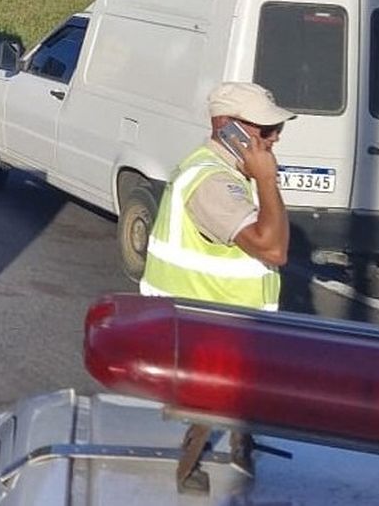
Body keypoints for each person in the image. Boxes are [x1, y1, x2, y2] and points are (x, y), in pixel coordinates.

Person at [140, 81, 296, 487]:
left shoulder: (223, 170)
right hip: (206, 327)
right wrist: (267, 180)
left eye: (278, 128)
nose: (275, 137)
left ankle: (238, 450)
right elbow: (273, 248)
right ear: (227, 127)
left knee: (233, 398)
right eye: (265, 130)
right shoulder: (212, 181)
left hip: (215, 323)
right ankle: (189, 472)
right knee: (213, 402)